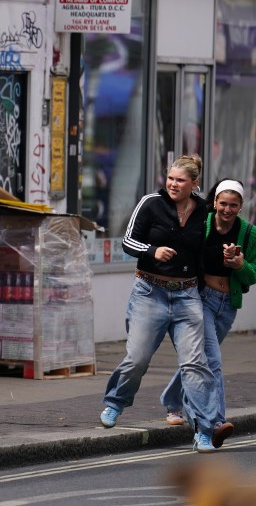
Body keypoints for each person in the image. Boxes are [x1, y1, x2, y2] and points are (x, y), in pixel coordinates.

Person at [99, 154, 220, 453]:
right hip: (149, 292)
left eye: (180, 180)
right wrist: (152, 250)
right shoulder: (151, 202)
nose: (173, 184)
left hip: (187, 295)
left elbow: (213, 245)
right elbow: (128, 241)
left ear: (194, 184)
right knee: (137, 359)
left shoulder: (204, 210)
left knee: (195, 364)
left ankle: (204, 431)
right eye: (170, 179)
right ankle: (115, 403)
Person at [159, 178, 255, 448]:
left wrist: (240, 265)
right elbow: (189, 255)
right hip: (200, 300)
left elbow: (254, 272)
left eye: (233, 205)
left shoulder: (249, 233)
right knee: (211, 361)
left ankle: (172, 400)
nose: (227, 209)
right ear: (214, 202)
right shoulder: (203, 224)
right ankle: (212, 423)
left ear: (241, 206)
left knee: (197, 360)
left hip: (228, 305)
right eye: (222, 203)